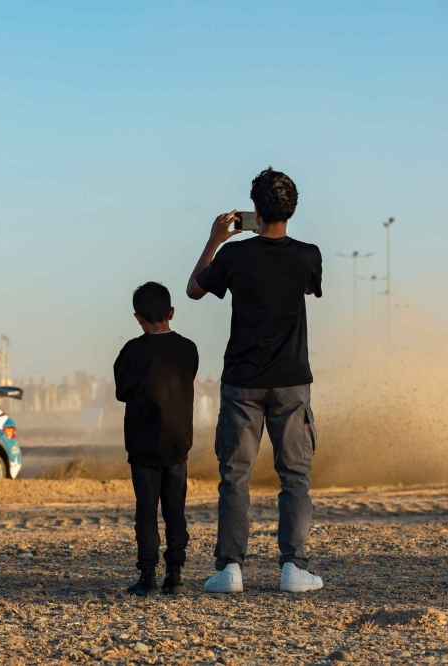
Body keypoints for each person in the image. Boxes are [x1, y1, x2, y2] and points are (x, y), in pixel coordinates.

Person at [187, 167, 324, 594]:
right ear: (292, 209)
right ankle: (293, 568)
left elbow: (193, 289)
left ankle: (230, 569)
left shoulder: (234, 256)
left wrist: (215, 241)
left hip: (242, 382)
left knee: (235, 478)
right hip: (291, 382)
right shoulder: (309, 255)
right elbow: (303, 290)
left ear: (256, 211)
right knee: (295, 477)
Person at [113, 282, 199, 596]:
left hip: (143, 444)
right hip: (178, 442)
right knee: (175, 509)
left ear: (138, 318)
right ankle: (174, 576)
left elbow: (121, 391)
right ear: (171, 312)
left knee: (146, 511)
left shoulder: (132, 351)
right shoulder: (188, 348)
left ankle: (146, 577)